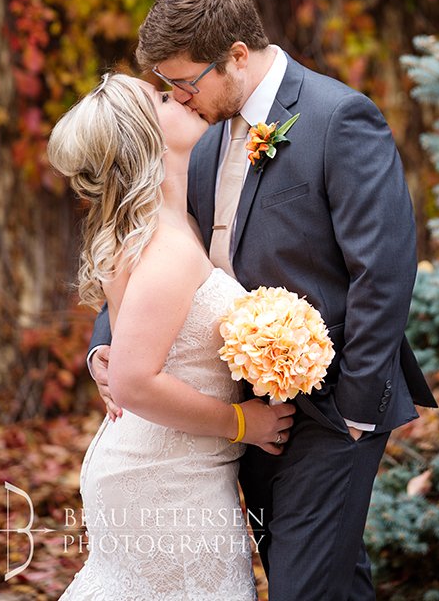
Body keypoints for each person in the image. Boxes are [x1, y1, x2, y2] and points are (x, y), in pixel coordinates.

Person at [89, 0, 437, 601]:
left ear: (237, 56)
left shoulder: (338, 118)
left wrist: (355, 412)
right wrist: (105, 345)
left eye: (186, 81)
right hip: (237, 413)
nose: (178, 98)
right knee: (326, 580)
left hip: (329, 410)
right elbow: (157, 250)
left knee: (303, 587)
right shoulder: (199, 139)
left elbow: (383, 271)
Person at [48, 73, 293, 600]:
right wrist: (241, 422)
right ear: (147, 139)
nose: (180, 94)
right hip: (164, 479)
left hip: (171, 466)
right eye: (162, 97)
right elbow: (135, 382)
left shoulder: (171, 225)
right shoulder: (167, 248)